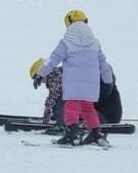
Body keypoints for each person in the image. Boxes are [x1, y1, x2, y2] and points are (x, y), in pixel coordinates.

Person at [33, 10, 115, 146]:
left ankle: (73, 133)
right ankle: (96, 133)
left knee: (71, 108)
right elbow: (104, 64)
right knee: (88, 109)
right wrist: (108, 81)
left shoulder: (66, 42)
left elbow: (52, 60)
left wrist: (40, 74)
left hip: (73, 86)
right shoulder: (95, 43)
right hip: (91, 87)